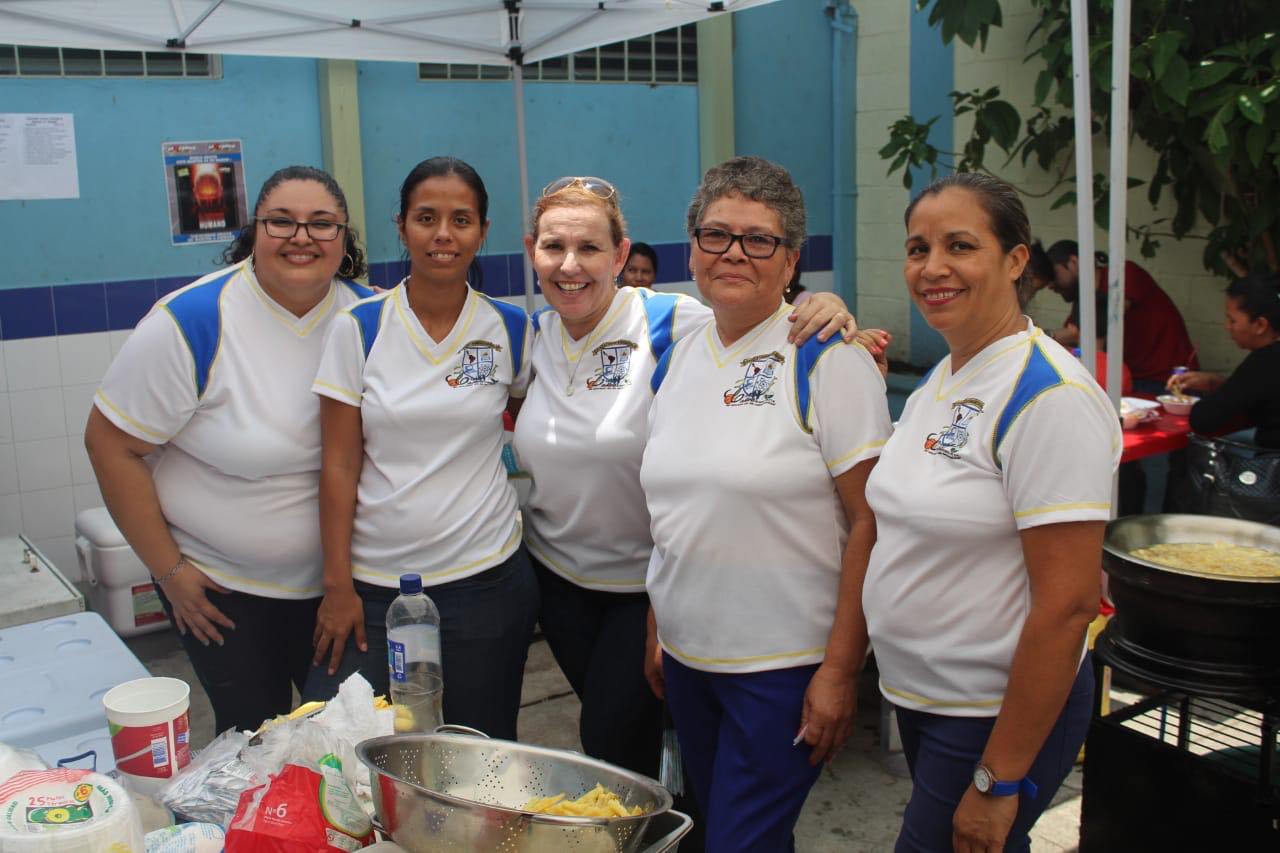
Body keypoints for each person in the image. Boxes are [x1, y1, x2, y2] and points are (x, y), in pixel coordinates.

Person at [515, 175, 857, 786]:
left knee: (611, 739)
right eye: (553, 248)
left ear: (621, 256)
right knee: (633, 741)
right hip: (559, 582)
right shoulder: (529, 337)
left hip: (644, 586)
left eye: (590, 248)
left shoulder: (673, 321)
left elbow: (758, 317)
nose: (570, 266)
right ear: (531, 252)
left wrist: (825, 309)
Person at [862, 173, 1120, 852]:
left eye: (960, 245)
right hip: (926, 698)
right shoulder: (944, 378)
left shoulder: (1048, 395)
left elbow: (1068, 604)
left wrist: (999, 779)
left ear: (1015, 260)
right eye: (918, 248)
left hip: (994, 716)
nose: (933, 267)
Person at [640, 156, 891, 852]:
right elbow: (673, 507)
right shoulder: (679, 351)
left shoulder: (826, 359)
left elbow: (873, 521)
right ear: (691, 247)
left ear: (790, 262)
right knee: (728, 829)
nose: (734, 254)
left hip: (782, 669)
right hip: (690, 660)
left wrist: (841, 671)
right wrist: (660, 620)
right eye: (716, 234)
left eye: (759, 239)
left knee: (737, 841)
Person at [85, 166, 372, 734]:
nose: (301, 237)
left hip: (348, 587)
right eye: (281, 222)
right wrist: (169, 573)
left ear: (344, 240)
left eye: (322, 224)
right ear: (253, 233)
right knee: (251, 743)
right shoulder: (192, 321)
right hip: (223, 595)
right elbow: (110, 444)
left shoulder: (373, 317)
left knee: (345, 741)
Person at [303, 157, 536, 740]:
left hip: (485, 582)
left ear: (483, 231)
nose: (442, 234)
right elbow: (338, 463)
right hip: (376, 589)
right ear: (401, 225)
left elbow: (543, 424)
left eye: (461, 220)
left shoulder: (510, 330)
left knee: (478, 755)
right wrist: (338, 586)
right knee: (354, 754)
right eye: (426, 217)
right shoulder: (360, 328)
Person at [1040, 240, 1197, 392]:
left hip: (1170, 381)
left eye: (1054, 274)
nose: (1050, 285)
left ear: (1074, 263)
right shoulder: (1084, 300)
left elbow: (1093, 327)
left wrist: (1046, 335)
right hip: (1131, 380)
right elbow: (1075, 336)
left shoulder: (1122, 274)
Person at [1169, 271, 1280, 447]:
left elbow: (1204, 419)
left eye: (1232, 320)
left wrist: (1217, 393)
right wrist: (1218, 384)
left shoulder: (1266, 361)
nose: (1227, 326)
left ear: (1260, 325)